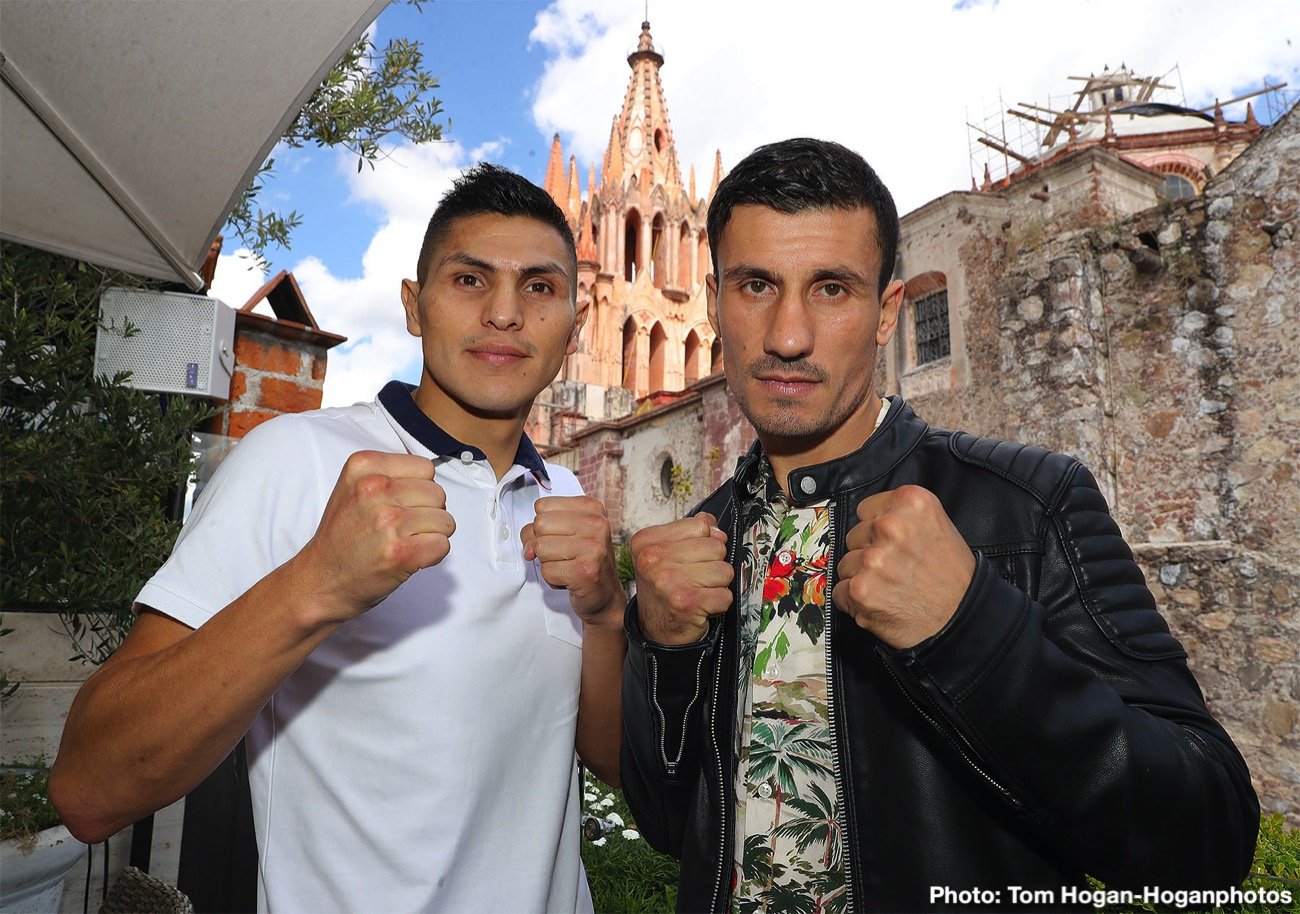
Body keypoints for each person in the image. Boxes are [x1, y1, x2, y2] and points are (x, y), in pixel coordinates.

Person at [620, 138, 1259, 913]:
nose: (788, 335)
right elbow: (666, 826)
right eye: (757, 285)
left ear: (888, 312)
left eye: (831, 290)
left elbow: (1210, 841)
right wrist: (665, 654)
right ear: (717, 301)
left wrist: (972, 633)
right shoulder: (702, 540)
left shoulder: (1028, 502)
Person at [51, 163, 626, 912]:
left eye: (540, 287)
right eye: (469, 280)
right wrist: (316, 584)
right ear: (415, 308)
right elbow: (90, 789)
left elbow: (606, 759)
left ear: (575, 326)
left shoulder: (568, 496)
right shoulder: (299, 458)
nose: (506, 314)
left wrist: (608, 614)